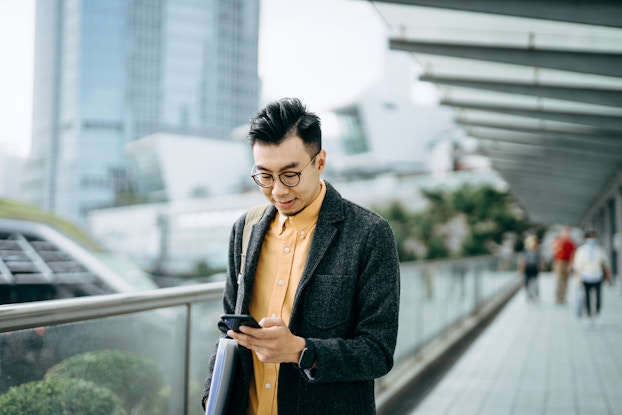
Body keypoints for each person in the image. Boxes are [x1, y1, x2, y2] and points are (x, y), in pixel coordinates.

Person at [201, 97, 401, 414]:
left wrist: (300, 350)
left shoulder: (368, 234)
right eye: (265, 176)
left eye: (290, 174)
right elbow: (229, 332)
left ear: (319, 162)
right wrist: (213, 396)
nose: (278, 190)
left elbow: (377, 352)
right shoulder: (246, 229)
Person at [573, 230, 611, 324]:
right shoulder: (581, 250)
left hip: (598, 276)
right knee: (587, 297)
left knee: (598, 297)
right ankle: (589, 315)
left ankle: (597, 315)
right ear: (585, 239)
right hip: (585, 276)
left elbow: (605, 263)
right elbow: (577, 265)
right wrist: (578, 279)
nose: (592, 240)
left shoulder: (600, 249)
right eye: (589, 238)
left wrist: (607, 275)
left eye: (593, 237)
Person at [551, 226, 576, 304]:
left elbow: (573, 254)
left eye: (568, 232)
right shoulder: (558, 240)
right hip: (559, 262)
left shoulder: (571, 243)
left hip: (567, 262)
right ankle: (558, 296)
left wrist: (571, 264)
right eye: (565, 232)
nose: (566, 233)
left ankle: (563, 297)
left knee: (566, 280)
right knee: (559, 279)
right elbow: (554, 249)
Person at [518, 234, 544, 302]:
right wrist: (521, 268)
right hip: (527, 268)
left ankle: (536, 295)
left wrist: (541, 265)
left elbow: (540, 259)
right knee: (527, 282)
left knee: (535, 283)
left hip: (534, 267)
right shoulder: (525, 250)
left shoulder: (538, 250)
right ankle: (529, 295)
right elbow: (522, 259)